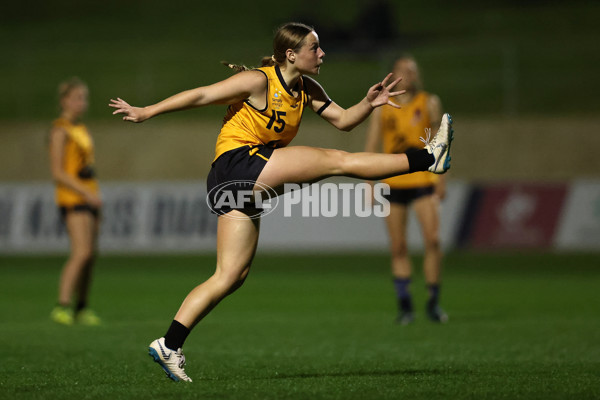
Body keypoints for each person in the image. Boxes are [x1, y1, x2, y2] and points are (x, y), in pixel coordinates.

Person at [109, 22, 453, 382]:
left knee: (231, 276)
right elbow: (201, 95)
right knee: (337, 161)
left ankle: (169, 344)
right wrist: (147, 111)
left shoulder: (307, 88)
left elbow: (345, 121)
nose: (322, 54)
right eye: (314, 48)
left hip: (237, 180)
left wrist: (368, 103)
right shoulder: (260, 81)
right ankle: (429, 158)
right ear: (291, 54)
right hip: (238, 164)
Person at [365, 55, 449, 325]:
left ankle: (433, 302)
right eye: (402, 70)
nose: (408, 74)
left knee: (432, 240)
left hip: (423, 178)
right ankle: (405, 306)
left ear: (417, 75)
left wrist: (442, 178)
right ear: (395, 74)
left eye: (411, 70)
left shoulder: (429, 101)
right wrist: (369, 184)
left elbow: (440, 141)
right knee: (398, 246)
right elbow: (372, 144)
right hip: (393, 180)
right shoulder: (383, 105)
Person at [49, 77, 103, 326]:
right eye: (77, 98)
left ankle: (82, 307)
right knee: (81, 252)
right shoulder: (60, 130)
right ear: (64, 101)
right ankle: (62, 306)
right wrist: (85, 191)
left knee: (90, 255)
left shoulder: (81, 129)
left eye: (84, 98)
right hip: (73, 197)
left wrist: (93, 193)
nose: (82, 103)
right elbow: (58, 172)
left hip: (89, 195)